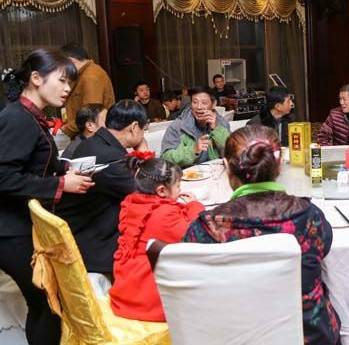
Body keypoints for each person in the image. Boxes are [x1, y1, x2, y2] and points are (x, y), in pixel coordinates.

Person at [183, 125, 340, 344]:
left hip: (233, 337)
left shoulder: (204, 228)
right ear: (280, 165)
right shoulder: (309, 217)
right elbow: (325, 246)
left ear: (227, 167)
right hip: (308, 335)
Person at [0, 49, 94, 345]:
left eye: (70, 83)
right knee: (47, 303)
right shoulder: (18, 118)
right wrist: (60, 184)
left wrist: (64, 169)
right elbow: (4, 176)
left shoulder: (31, 116)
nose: (68, 89)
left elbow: (33, 162)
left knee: (46, 302)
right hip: (10, 230)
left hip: (23, 224)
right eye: (62, 80)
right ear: (36, 78)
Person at [56, 100, 150, 273]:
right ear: (134, 127)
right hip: (97, 243)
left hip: (81, 229)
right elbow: (147, 192)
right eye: (144, 129)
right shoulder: (111, 158)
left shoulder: (92, 142)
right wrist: (143, 153)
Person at [110, 156, 204, 321]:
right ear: (161, 191)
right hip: (146, 295)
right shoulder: (163, 214)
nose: (180, 190)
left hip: (127, 284)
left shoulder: (132, 202)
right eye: (178, 186)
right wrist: (194, 206)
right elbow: (195, 234)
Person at [161, 86, 231, 168]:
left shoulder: (221, 123)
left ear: (213, 104)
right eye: (195, 102)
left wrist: (216, 129)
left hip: (215, 171)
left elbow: (231, 152)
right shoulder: (178, 126)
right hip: (188, 173)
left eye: (204, 102)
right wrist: (193, 150)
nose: (199, 107)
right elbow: (165, 158)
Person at [61, 42, 115, 139]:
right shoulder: (86, 73)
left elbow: (90, 115)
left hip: (93, 137)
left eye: (62, 65)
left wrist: (66, 128)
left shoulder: (90, 77)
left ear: (70, 61)